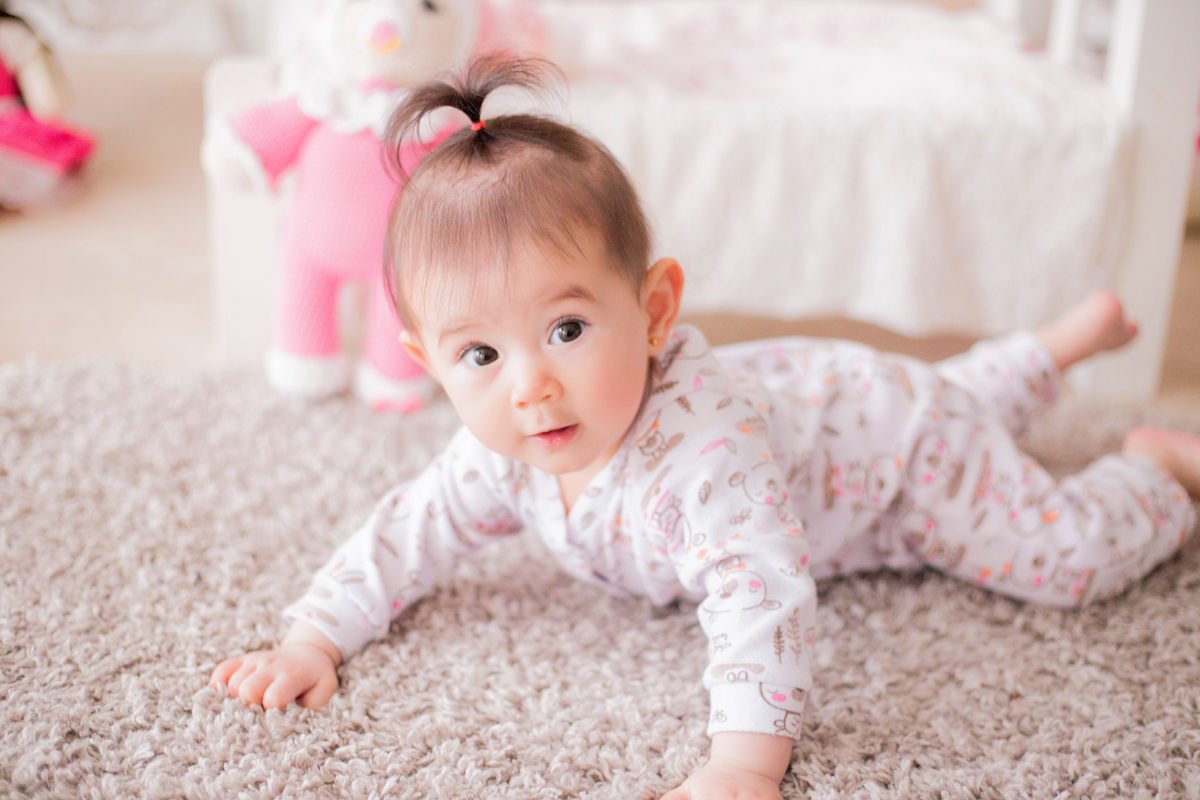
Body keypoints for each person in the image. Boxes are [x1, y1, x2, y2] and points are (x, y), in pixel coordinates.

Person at [211, 56, 1200, 800]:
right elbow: (406, 527)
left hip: (898, 461)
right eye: (483, 355)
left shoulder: (704, 465)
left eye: (566, 328)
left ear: (654, 308)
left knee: (1060, 550)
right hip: (826, 398)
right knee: (929, 393)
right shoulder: (501, 451)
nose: (532, 387)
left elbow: (763, 591)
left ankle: (1154, 469)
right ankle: (1049, 350)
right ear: (426, 360)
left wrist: (742, 763)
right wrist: (312, 637)